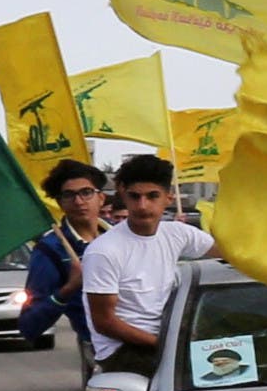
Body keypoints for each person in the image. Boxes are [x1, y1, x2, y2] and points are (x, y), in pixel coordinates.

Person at [81, 155, 215, 378]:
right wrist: (166, 344)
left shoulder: (177, 234)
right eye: (135, 197)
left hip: (167, 339)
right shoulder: (103, 251)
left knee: (237, 363)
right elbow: (104, 323)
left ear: (168, 198)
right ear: (123, 195)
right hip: (124, 351)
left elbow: (233, 255)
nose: (142, 206)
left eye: (152, 196)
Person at [21, 159, 111, 366]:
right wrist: (69, 288)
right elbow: (29, 326)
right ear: (60, 203)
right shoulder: (51, 249)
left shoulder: (125, 237)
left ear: (101, 198)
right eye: (69, 195)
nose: (79, 201)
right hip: (102, 352)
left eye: (86, 192)